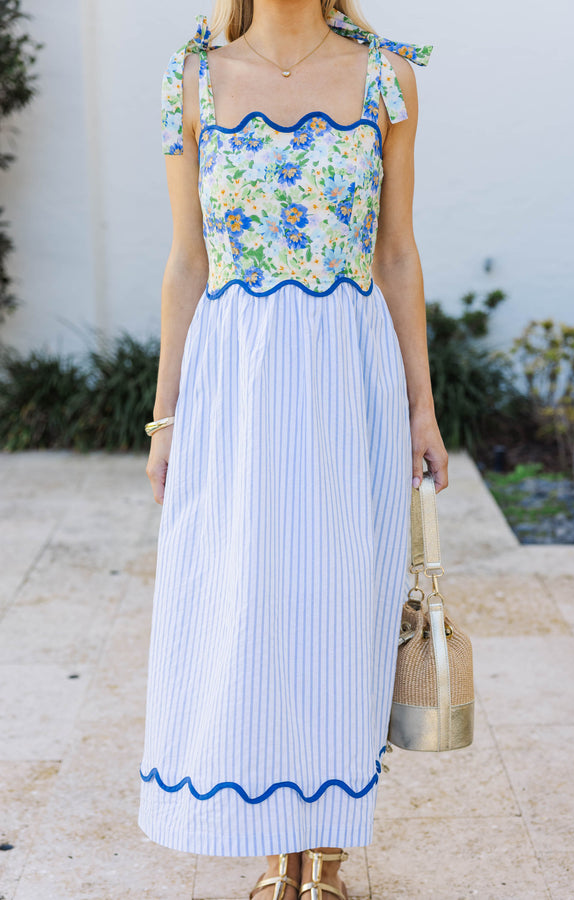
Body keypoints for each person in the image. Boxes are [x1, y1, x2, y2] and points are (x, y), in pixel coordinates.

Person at [139, 1, 448, 897]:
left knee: (341, 603)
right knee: (247, 598)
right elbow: (186, 263)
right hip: (236, 382)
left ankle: (328, 848)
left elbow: (396, 254)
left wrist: (420, 407)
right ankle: (278, 850)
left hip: (349, 373)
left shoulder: (387, 74)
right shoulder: (191, 76)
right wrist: (167, 420)